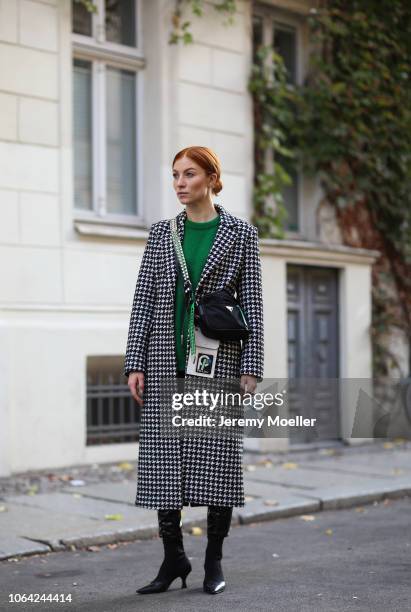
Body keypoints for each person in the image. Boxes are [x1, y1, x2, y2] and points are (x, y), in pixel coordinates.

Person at [124, 146, 264, 595]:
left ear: (210, 178)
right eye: (175, 175)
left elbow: (254, 306)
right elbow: (143, 301)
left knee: (216, 465)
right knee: (166, 464)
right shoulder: (161, 235)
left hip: (219, 361)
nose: (180, 183)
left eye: (189, 174)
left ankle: (213, 563)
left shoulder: (241, 234)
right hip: (164, 361)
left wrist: (252, 366)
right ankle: (172, 559)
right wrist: (134, 362)